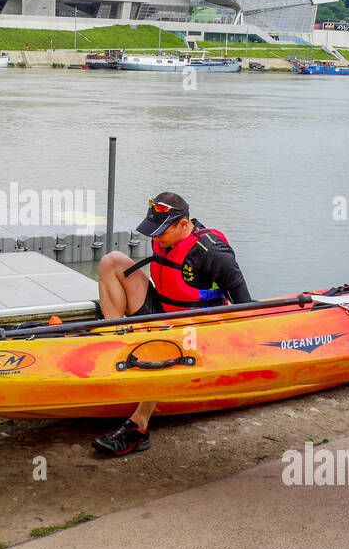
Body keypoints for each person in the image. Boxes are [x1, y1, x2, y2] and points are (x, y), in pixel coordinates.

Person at [91, 192, 251, 456]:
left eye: (162, 231)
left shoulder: (213, 253)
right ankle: (115, 339)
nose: (157, 237)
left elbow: (244, 304)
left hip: (196, 326)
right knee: (113, 261)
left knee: (160, 349)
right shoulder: (165, 240)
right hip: (163, 312)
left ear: (184, 225)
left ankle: (138, 428)